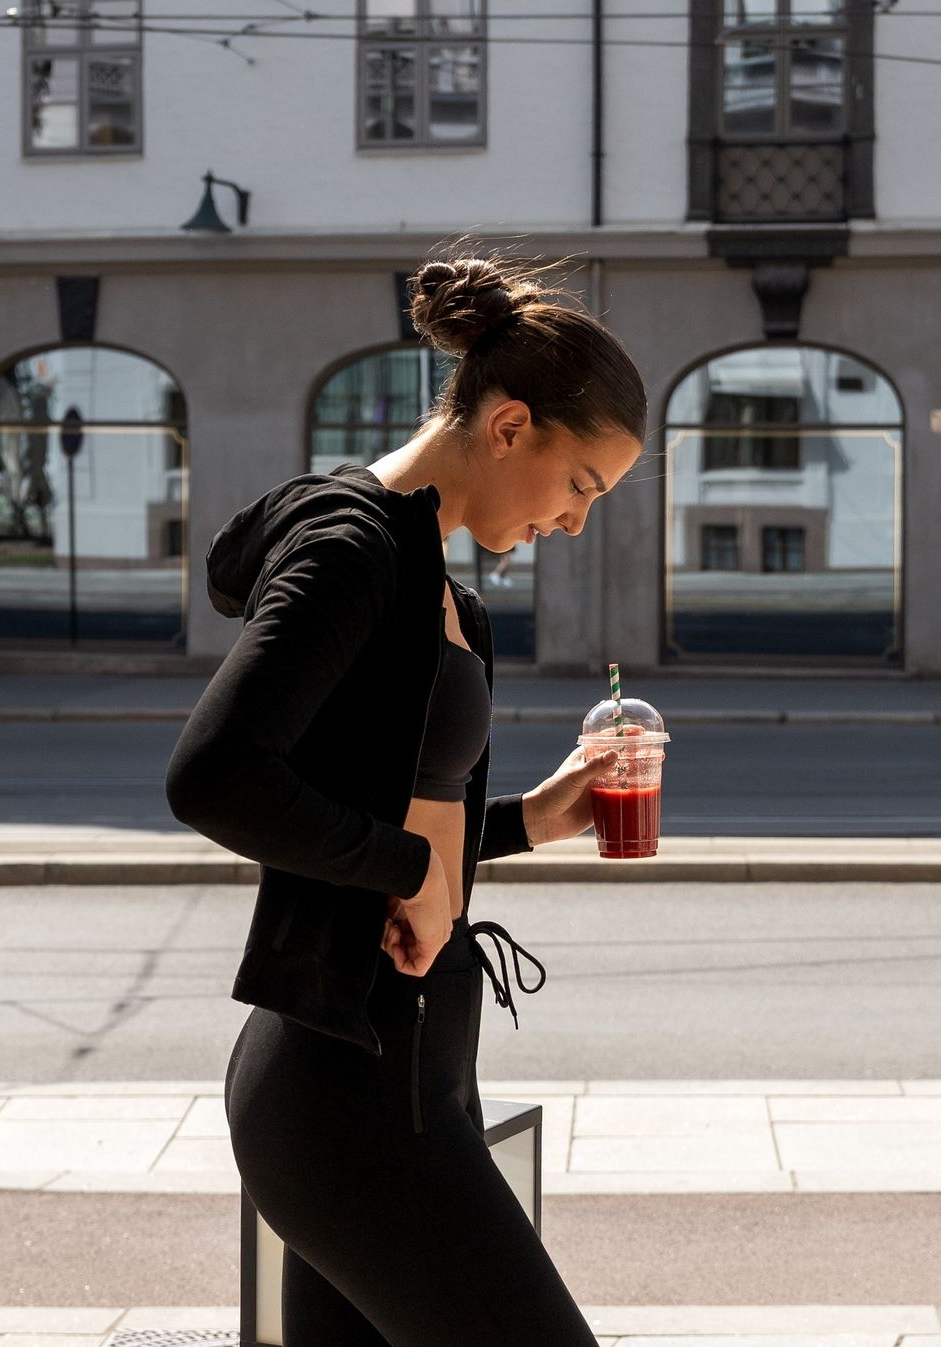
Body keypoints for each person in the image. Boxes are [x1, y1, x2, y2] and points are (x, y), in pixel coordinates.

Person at [165, 254, 646, 1347]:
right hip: (346, 1102)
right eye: (582, 487)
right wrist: (408, 869)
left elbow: (388, 815)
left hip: (414, 1079)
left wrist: (537, 815)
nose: (576, 524)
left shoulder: (441, 586)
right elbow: (216, 775)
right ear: (512, 425)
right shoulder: (353, 549)